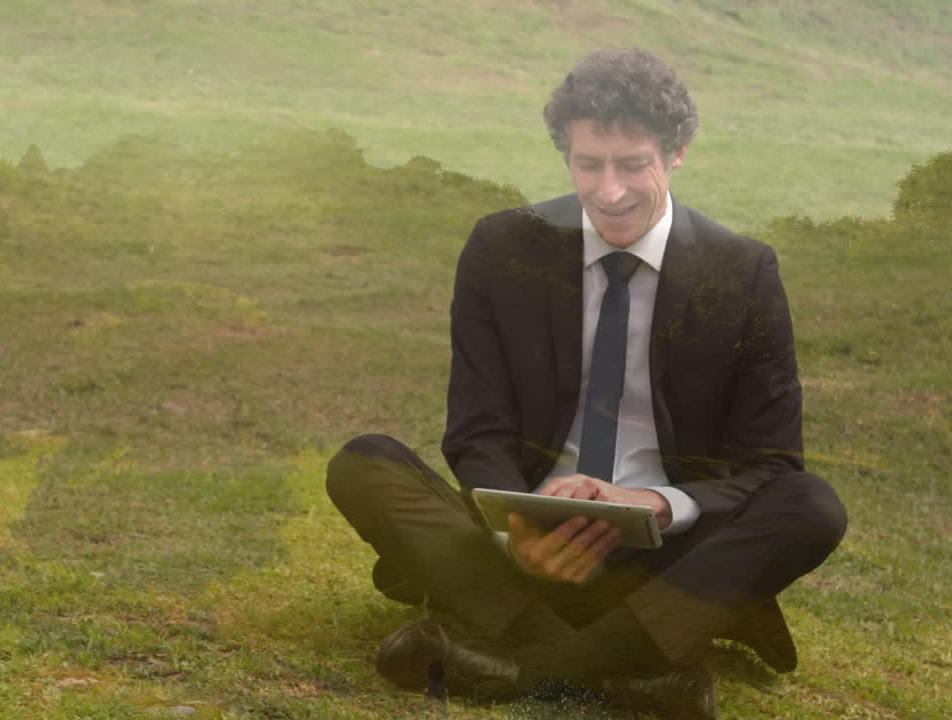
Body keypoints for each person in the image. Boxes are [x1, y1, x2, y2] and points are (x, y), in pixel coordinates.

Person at [324, 48, 848, 719]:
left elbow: (770, 465)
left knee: (811, 505)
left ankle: (521, 665)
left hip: (668, 554)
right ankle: (635, 667)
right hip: (525, 539)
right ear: (565, 155)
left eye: (633, 165)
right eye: (587, 164)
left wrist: (654, 504)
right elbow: (477, 429)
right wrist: (519, 528)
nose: (609, 191)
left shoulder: (741, 273)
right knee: (364, 463)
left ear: (677, 152)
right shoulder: (502, 247)